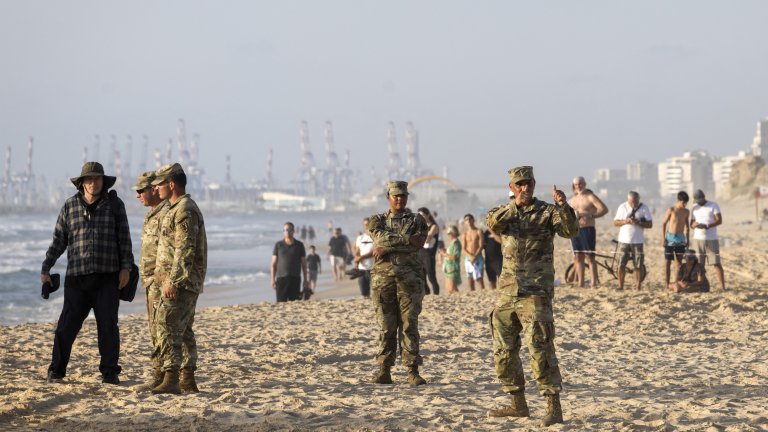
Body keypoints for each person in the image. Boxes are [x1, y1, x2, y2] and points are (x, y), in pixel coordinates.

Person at [485, 166, 578, 426]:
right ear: (512, 188)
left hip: (535, 294)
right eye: (520, 184)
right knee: (503, 352)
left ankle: (553, 407)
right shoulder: (503, 212)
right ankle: (518, 404)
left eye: (529, 183)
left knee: (540, 349)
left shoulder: (547, 212)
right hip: (506, 294)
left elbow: (570, 231)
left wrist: (564, 206)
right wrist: (515, 205)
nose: (525, 187)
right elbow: (492, 223)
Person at [41, 162, 134, 385]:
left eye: (98, 179)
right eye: (89, 179)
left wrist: (126, 268)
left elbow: (124, 238)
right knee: (65, 327)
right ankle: (57, 370)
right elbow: (59, 240)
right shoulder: (69, 206)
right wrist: (46, 268)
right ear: (82, 183)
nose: (94, 183)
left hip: (107, 278)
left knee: (108, 328)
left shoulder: (114, 204)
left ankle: (109, 373)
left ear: (103, 181)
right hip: (77, 279)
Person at [150, 163, 208, 395]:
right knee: (183, 331)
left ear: (171, 184)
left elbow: (185, 249)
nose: (156, 189)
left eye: (160, 184)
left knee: (166, 324)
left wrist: (174, 281)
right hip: (177, 280)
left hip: (181, 282)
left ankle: (172, 377)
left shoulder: (185, 210)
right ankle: (187, 379)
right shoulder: (175, 208)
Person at [368, 181, 428, 386]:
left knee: (409, 325)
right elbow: (379, 237)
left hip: (411, 280)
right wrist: (405, 241)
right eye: (396, 196)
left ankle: (412, 371)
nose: (400, 199)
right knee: (386, 326)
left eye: (403, 195)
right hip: (382, 281)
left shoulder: (417, 220)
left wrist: (387, 248)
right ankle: (384, 370)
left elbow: (419, 243)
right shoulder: (377, 220)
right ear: (388, 198)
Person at [133, 170, 170, 391]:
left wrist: (164, 280)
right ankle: (162, 374)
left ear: (153, 189)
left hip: (160, 281)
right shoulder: (153, 213)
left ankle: (163, 375)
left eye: (140, 190)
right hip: (150, 282)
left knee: (162, 329)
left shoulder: (166, 212)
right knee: (155, 329)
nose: (138, 195)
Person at [568, 176, 609, 288]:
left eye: (580, 183)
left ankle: (593, 282)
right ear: (574, 186)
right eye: (576, 184)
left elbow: (604, 209)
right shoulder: (573, 199)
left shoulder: (590, 196)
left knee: (590, 256)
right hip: (576, 230)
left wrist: (591, 215)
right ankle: (581, 282)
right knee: (578, 256)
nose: (579, 186)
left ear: (585, 184)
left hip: (588, 228)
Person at [613, 191, 653, 290]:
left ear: (639, 199)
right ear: (628, 200)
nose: (634, 204)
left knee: (638, 265)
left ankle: (638, 286)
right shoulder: (622, 207)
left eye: (636, 201)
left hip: (638, 241)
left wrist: (639, 222)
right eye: (632, 202)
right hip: (623, 240)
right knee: (621, 264)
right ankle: (620, 286)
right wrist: (625, 221)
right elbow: (615, 222)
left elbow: (650, 224)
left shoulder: (644, 208)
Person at [690, 190, 726, 290]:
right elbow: (691, 224)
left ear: (704, 197)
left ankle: (722, 287)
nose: (698, 202)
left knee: (716, 263)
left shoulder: (713, 205)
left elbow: (719, 220)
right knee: (699, 265)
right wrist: (695, 225)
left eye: (700, 200)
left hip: (711, 239)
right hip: (697, 239)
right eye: (697, 200)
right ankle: (701, 287)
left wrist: (708, 225)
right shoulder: (694, 207)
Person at [271, 222, 310, 302]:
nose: (287, 231)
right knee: (281, 304)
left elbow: (304, 264)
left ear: (293, 231)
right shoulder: (278, 245)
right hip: (281, 279)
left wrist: (305, 280)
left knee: (294, 304)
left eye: (289, 230)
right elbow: (273, 264)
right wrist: (272, 280)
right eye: (285, 230)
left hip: (295, 278)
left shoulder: (299, 245)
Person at [661, 191, 690, 288]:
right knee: (667, 262)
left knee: (679, 262)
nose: (685, 204)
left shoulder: (686, 211)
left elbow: (687, 226)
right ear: (679, 200)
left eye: (686, 203)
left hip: (681, 238)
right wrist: (663, 238)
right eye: (683, 202)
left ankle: (676, 282)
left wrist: (688, 240)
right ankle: (667, 283)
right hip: (670, 238)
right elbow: (664, 223)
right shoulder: (671, 210)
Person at [417, 207, 440, 295]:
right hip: (420, 253)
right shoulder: (420, 227)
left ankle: (436, 295)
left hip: (429, 254)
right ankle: (427, 294)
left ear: (428, 215)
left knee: (431, 277)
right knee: (421, 278)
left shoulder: (433, 226)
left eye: (422, 215)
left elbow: (427, 238)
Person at [461, 214, 485, 290]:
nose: (468, 221)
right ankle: (472, 293)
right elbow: (463, 248)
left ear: (473, 220)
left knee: (479, 278)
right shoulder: (464, 234)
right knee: (470, 279)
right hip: (468, 258)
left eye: (470, 219)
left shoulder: (479, 231)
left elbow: (481, 246)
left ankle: (482, 294)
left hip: (478, 257)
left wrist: (474, 256)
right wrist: (470, 256)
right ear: (464, 222)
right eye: (466, 220)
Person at [354, 218, 375, 298]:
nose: (367, 226)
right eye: (365, 225)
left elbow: (374, 252)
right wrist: (356, 262)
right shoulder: (360, 238)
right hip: (362, 268)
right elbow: (357, 252)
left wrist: (361, 257)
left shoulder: (376, 237)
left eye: (368, 224)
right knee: (364, 292)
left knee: (375, 291)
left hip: (373, 267)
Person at [439, 225, 462, 294]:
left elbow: (455, 256)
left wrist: (444, 254)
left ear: (452, 233)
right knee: (449, 289)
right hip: (449, 268)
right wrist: (445, 251)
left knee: (452, 289)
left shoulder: (456, 243)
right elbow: (451, 253)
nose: (448, 235)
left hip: (453, 268)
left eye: (448, 234)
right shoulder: (453, 242)